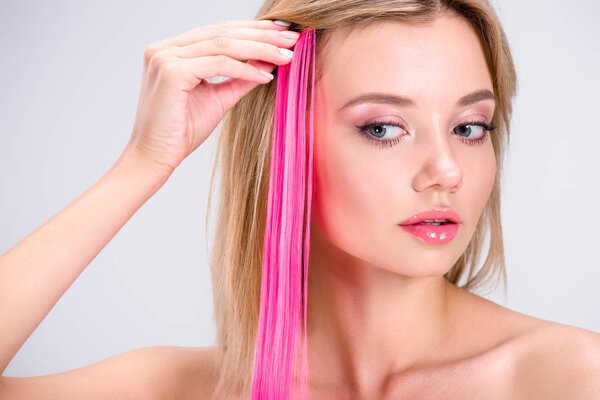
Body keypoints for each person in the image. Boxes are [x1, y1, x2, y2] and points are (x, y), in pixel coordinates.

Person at [1, 0, 599, 399]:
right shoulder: (181, 388)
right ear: (285, 144)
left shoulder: (568, 377)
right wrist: (141, 164)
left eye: (470, 127)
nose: (445, 171)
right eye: (384, 128)